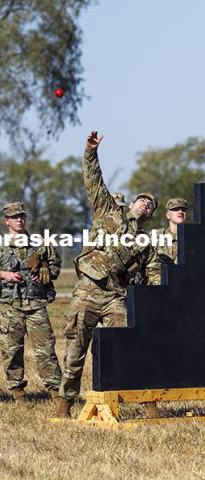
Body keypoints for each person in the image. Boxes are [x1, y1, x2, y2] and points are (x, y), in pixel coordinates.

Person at [57, 131, 160, 418]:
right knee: (75, 350)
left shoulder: (146, 243)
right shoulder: (108, 212)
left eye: (150, 205)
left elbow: (154, 278)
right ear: (132, 203)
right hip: (88, 291)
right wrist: (90, 151)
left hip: (116, 297)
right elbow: (93, 180)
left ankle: (147, 403)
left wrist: (155, 306)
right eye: (142, 199)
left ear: (150, 215)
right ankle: (65, 405)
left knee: (130, 346)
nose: (145, 203)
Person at [0, 202, 62, 402]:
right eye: (15, 217)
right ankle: (18, 393)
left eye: (22, 216)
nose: (19, 220)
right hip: (9, 306)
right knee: (11, 350)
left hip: (36, 305)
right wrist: (2, 274)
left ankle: (57, 392)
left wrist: (45, 272)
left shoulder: (40, 244)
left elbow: (56, 267)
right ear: (7, 221)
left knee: (46, 350)